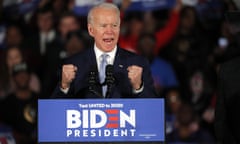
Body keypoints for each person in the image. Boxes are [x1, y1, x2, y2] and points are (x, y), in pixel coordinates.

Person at [52, 2, 157, 99]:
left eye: (114, 26)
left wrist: (138, 87)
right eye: (103, 26)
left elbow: (154, 109)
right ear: (91, 30)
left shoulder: (137, 62)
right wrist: (64, 86)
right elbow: (52, 110)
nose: (110, 32)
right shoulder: (74, 63)